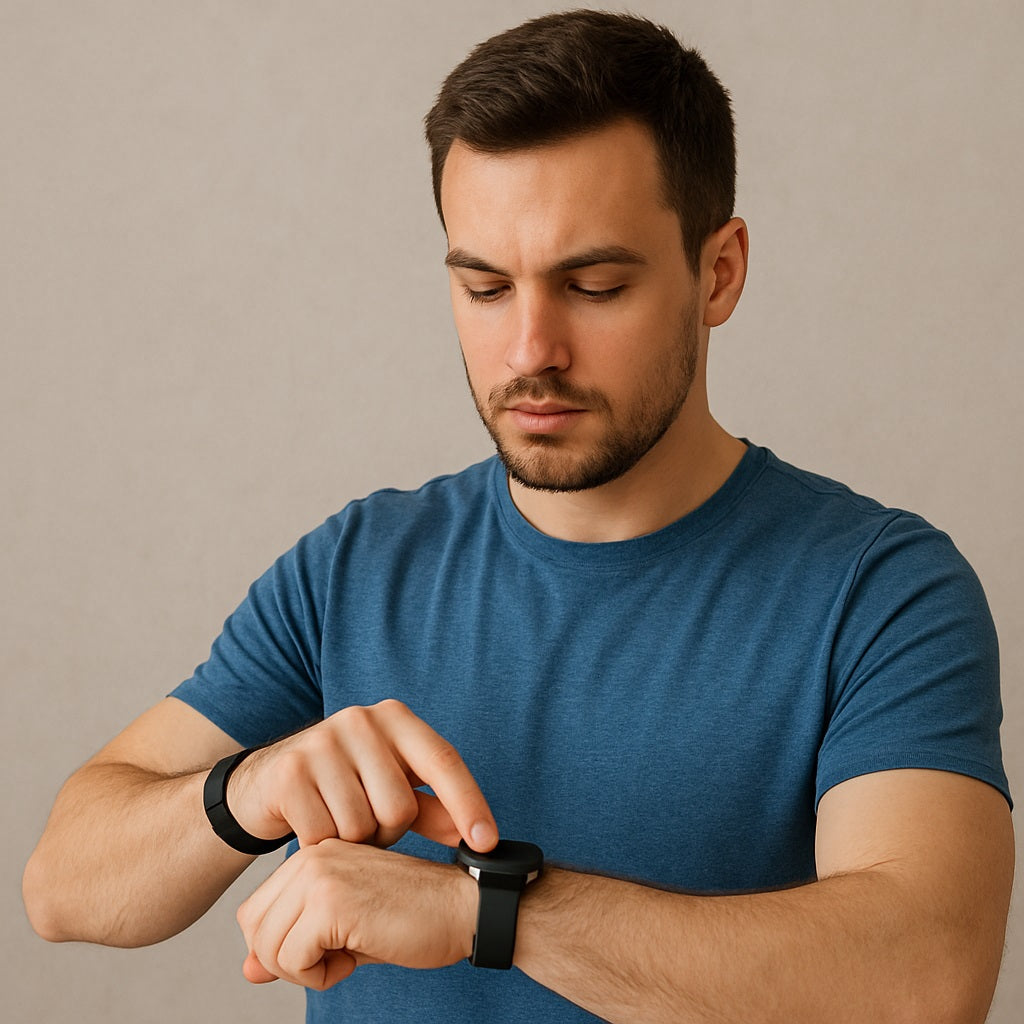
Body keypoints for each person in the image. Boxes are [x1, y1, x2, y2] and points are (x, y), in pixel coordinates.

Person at [23, 10, 1013, 1024]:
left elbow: (922, 979)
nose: (529, 348)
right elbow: (63, 884)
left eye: (593, 284)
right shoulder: (356, 567)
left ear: (717, 271)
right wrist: (246, 789)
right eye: (486, 287)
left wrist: (485, 913)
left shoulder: (881, 590)